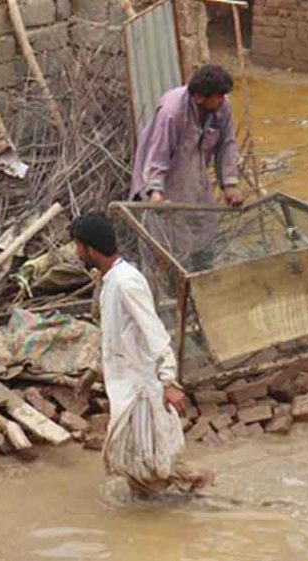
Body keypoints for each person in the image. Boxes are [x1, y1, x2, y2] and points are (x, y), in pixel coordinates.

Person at [71, 213, 214, 499]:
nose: (76, 253)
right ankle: (169, 511)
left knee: (155, 467)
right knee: (137, 468)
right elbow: (113, 337)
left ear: (90, 248)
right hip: (127, 388)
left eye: (77, 246)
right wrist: (92, 372)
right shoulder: (111, 281)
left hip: (144, 390)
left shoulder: (126, 283)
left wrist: (169, 382)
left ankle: (207, 490)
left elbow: (155, 332)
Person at [129, 64, 242, 207]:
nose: (222, 100)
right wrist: (155, 191)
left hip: (194, 174)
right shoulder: (172, 113)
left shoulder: (222, 106)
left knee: (202, 220)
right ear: (199, 97)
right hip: (166, 176)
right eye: (218, 96)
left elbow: (227, 143)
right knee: (166, 222)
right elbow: (158, 152)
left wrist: (229, 184)